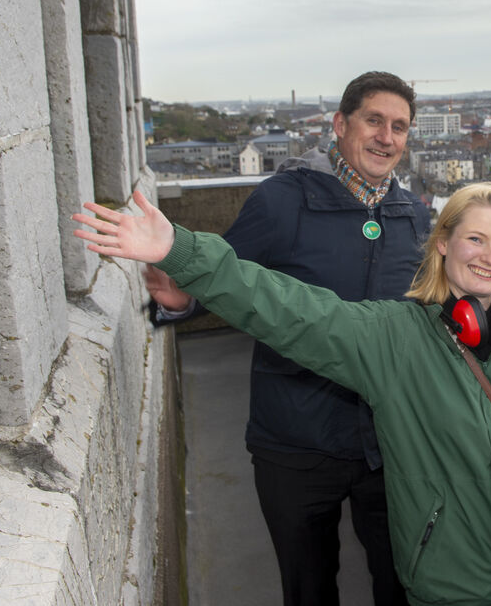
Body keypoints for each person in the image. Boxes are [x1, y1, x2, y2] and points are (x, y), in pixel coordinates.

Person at [74, 183, 491, 606]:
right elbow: (288, 308)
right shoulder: (391, 339)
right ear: (444, 245)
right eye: (475, 239)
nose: (489, 256)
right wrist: (184, 251)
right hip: (444, 587)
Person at [145, 72, 428, 605]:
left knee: (403, 584)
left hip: (387, 445)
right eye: (374, 121)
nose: (387, 138)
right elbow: (225, 275)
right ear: (341, 124)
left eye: (399, 127)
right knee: (308, 588)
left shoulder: (413, 215)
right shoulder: (281, 200)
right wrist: (181, 300)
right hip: (296, 441)